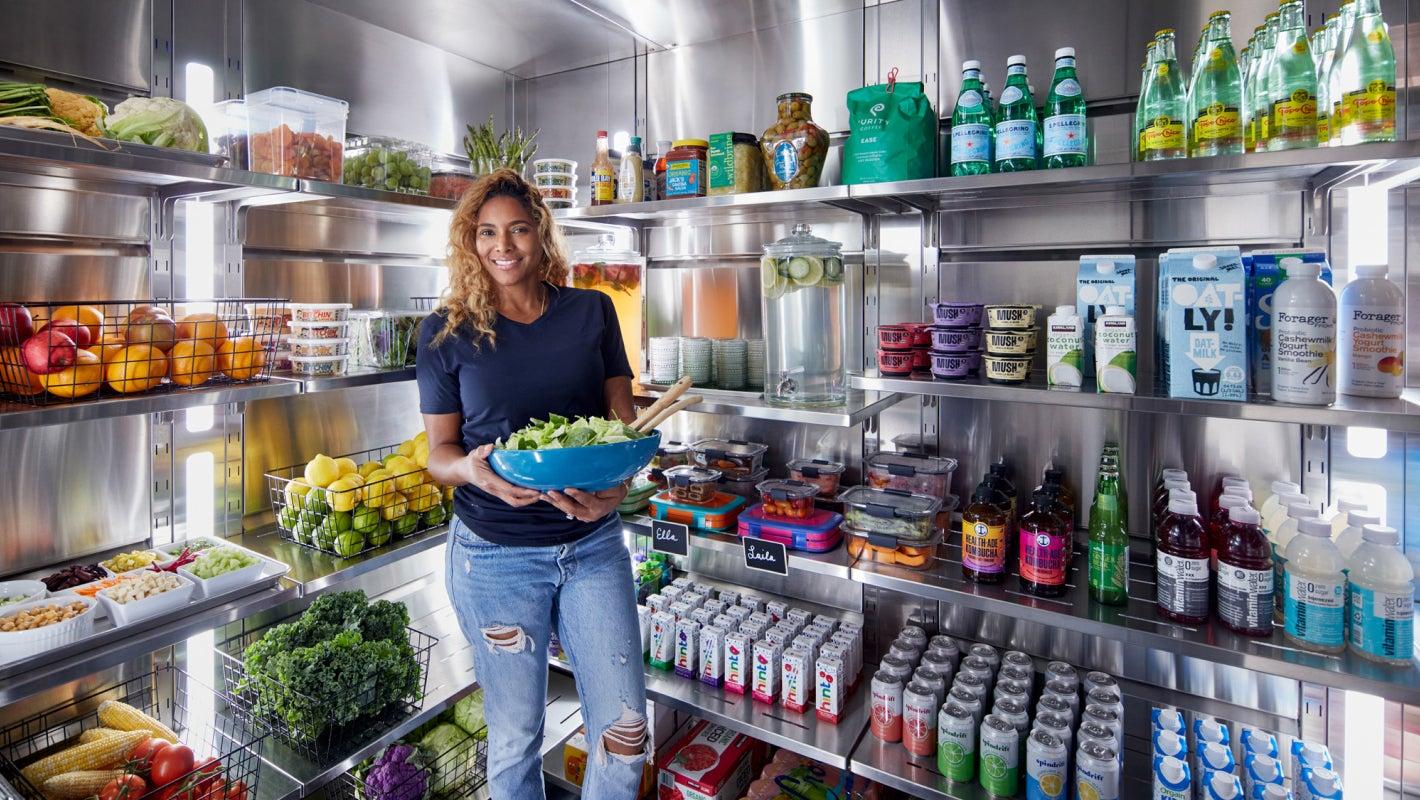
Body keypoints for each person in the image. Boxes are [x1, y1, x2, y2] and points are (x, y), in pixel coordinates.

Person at [418, 169, 647, 798]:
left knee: (626, 732)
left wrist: (618, 487)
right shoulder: (445, 333)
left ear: (540, 234)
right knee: (516, 738)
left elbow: (622, 426)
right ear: (470, 242)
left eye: (518, 229)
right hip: (495, 556)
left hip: (592, 544)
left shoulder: (592, 311)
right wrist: (471, 470)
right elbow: (440, 453)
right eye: (487, 232)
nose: (504, 245)